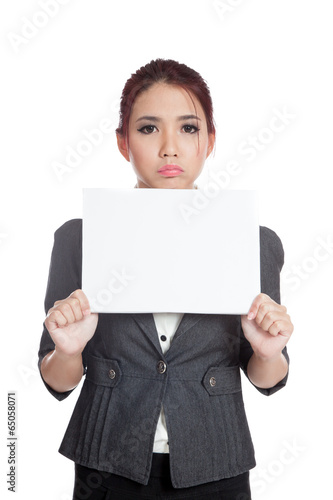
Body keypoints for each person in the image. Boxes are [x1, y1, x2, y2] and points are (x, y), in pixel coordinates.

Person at [38, 58, 294, 500]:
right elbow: (56, 380)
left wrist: (268, 353)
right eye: (149, 128)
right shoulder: (80, 238)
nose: (170, 148)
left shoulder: (253, 242)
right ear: (123, 143)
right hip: (107, 464)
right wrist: (68, 350)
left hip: (215, 465)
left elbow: (268, 378)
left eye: (189, 128)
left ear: (210, 141)